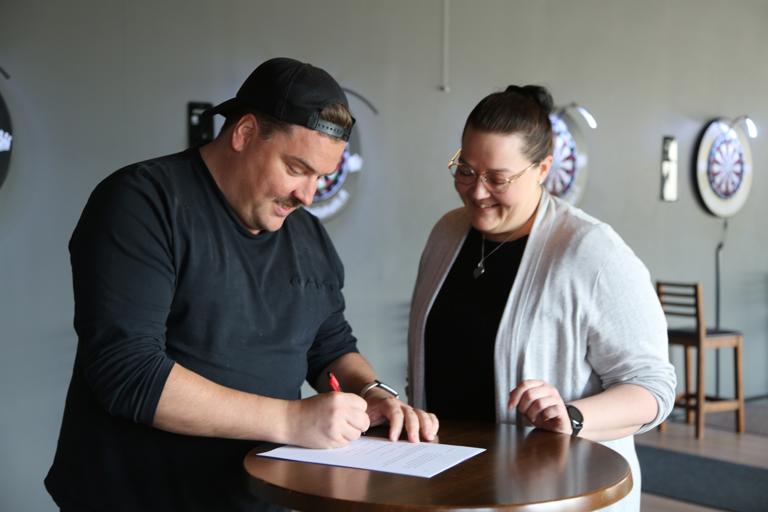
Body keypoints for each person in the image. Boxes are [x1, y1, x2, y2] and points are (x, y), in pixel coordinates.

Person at [45, 57, 438, 512]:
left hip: (257, 497)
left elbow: (329, 345)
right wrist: (291, 420)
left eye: (321, 177)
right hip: (138, 497)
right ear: (245, 133)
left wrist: (373, 393)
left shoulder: (308, 235)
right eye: (296, 168)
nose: (308, 196)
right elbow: (128, 372)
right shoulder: (143, 202)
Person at [407, 85, 675, 510]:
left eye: (497, 179)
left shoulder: (591, 250)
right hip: (449, 489)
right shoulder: (447, 233)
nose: (477, 191)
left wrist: (572, 416)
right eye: (466, 170)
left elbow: (653, 388)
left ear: (543, 168)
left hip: (555, 492)